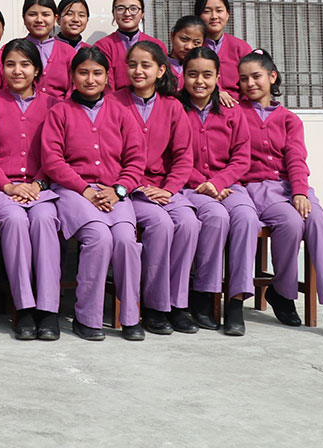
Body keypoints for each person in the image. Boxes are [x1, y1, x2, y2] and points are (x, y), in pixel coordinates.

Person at [238, 49, 323, 340]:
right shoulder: (236, 114)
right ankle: (282, 292)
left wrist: (300, 191)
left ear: (272, 77)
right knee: (289, 221)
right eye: (244, 79)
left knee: (317, 222)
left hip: (293, 185)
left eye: (257, 76)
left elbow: (297, 159)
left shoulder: (289, 119)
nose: (250, 83)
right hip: (259, 187)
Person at [41, 45, 146, 341]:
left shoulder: (123, 112)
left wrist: (119, 189)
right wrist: (84, 189)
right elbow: (52, 160)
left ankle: (130, 315)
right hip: (74, 190)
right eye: (83, 72)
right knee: (99, 237)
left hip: (115, 190)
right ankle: (87, 317)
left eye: (97, 73)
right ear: (73, 76)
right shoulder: (60, 111)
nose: (90, 79)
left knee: (126, 240)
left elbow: (136, 159)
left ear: (107, 76)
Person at [115, 41, 200, 335]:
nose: (138, 71)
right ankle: (153, 305)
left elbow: (183, 155)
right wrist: (133, 185)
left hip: (165, 188)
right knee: (161, 224)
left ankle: (177, 304)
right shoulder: (114, 102)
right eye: (133, 65)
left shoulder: (173, 106)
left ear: (161, 69)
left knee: (189, 222)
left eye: (146, 65)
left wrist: (170, 189)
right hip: (131, 188)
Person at [0, 39, 62, 341]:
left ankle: (48, 310)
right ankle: (25, 308)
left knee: (44, 221)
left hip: (42, 187)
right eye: (11, 64)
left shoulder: (54, 104)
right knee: (14, 221)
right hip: (1, 187)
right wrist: (8, 185)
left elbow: (57, 153)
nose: (17, 70)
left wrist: (37, 184)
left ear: (37, 69)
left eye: (25, 64)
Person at [178, 46, 259, 336]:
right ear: (182, 76)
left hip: (229, 184)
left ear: (218, 78)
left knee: (247, 219)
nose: (199, 81)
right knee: (215, 218)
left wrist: (219, 182)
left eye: (207, 75)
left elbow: (242, 157)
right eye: (192, 74)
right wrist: (205, 183)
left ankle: (235, 303)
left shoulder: (231, 110)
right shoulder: (174, 108)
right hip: (190, 186)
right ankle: (203, 295)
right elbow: (170, 157)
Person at [93, 0, 166, 91]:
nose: (127, 13)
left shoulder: (157, 45)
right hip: (115, 103)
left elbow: (162, 82)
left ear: (142, 13)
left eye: (133, 8)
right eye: (121, 8)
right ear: (113, 13)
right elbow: (106, 85)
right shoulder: (103, 46)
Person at [196, 0, 252, 104]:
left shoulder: (241, 48)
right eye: (207, 11)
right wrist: (215, 92)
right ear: (198, 16)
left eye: (219, 10)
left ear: (227, 14)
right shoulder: (192, 47)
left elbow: (250, 84)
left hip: (237, 109)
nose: (214, 16)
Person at [23, 0, 75, 99]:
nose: (39, 19)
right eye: (32, 14)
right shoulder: (11, 50)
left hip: (60, 113)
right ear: (24, 18)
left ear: (55, 18)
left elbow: (74, 89)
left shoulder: (69, 52)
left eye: (45, 15)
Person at [167, 15, 207, 88]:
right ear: (172, 37)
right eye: (184, 39)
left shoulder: (205, 69)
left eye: (197, 42)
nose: (189, 47)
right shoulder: (160, 65)